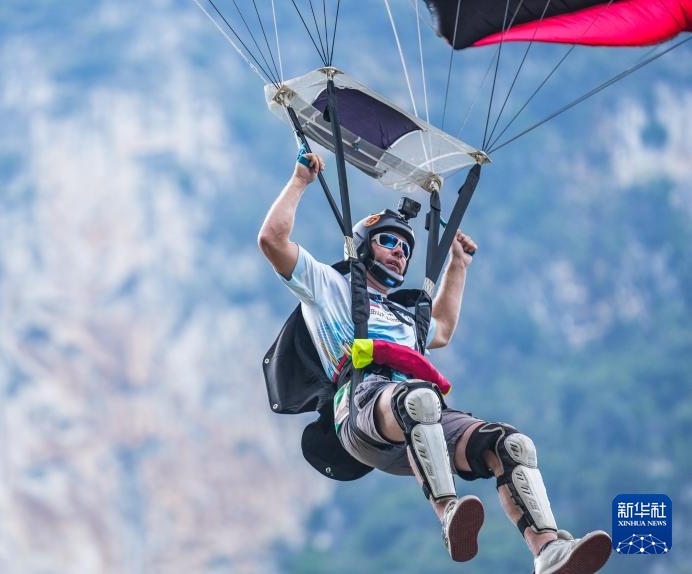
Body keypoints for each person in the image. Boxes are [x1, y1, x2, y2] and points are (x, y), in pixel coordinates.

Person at [257, 150, 612, 573]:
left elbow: (440, 327)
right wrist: (299, 181)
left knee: (511, 444)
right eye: (387, 241)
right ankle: (448, 514)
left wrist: (458, 265)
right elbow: (272, 241)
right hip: (361, 410)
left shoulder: (407, 317)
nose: (399, 252)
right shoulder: (328, 286)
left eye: (405, 247)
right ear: (364, 245)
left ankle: (548, 551)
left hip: (413, 423)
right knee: (418, 399)